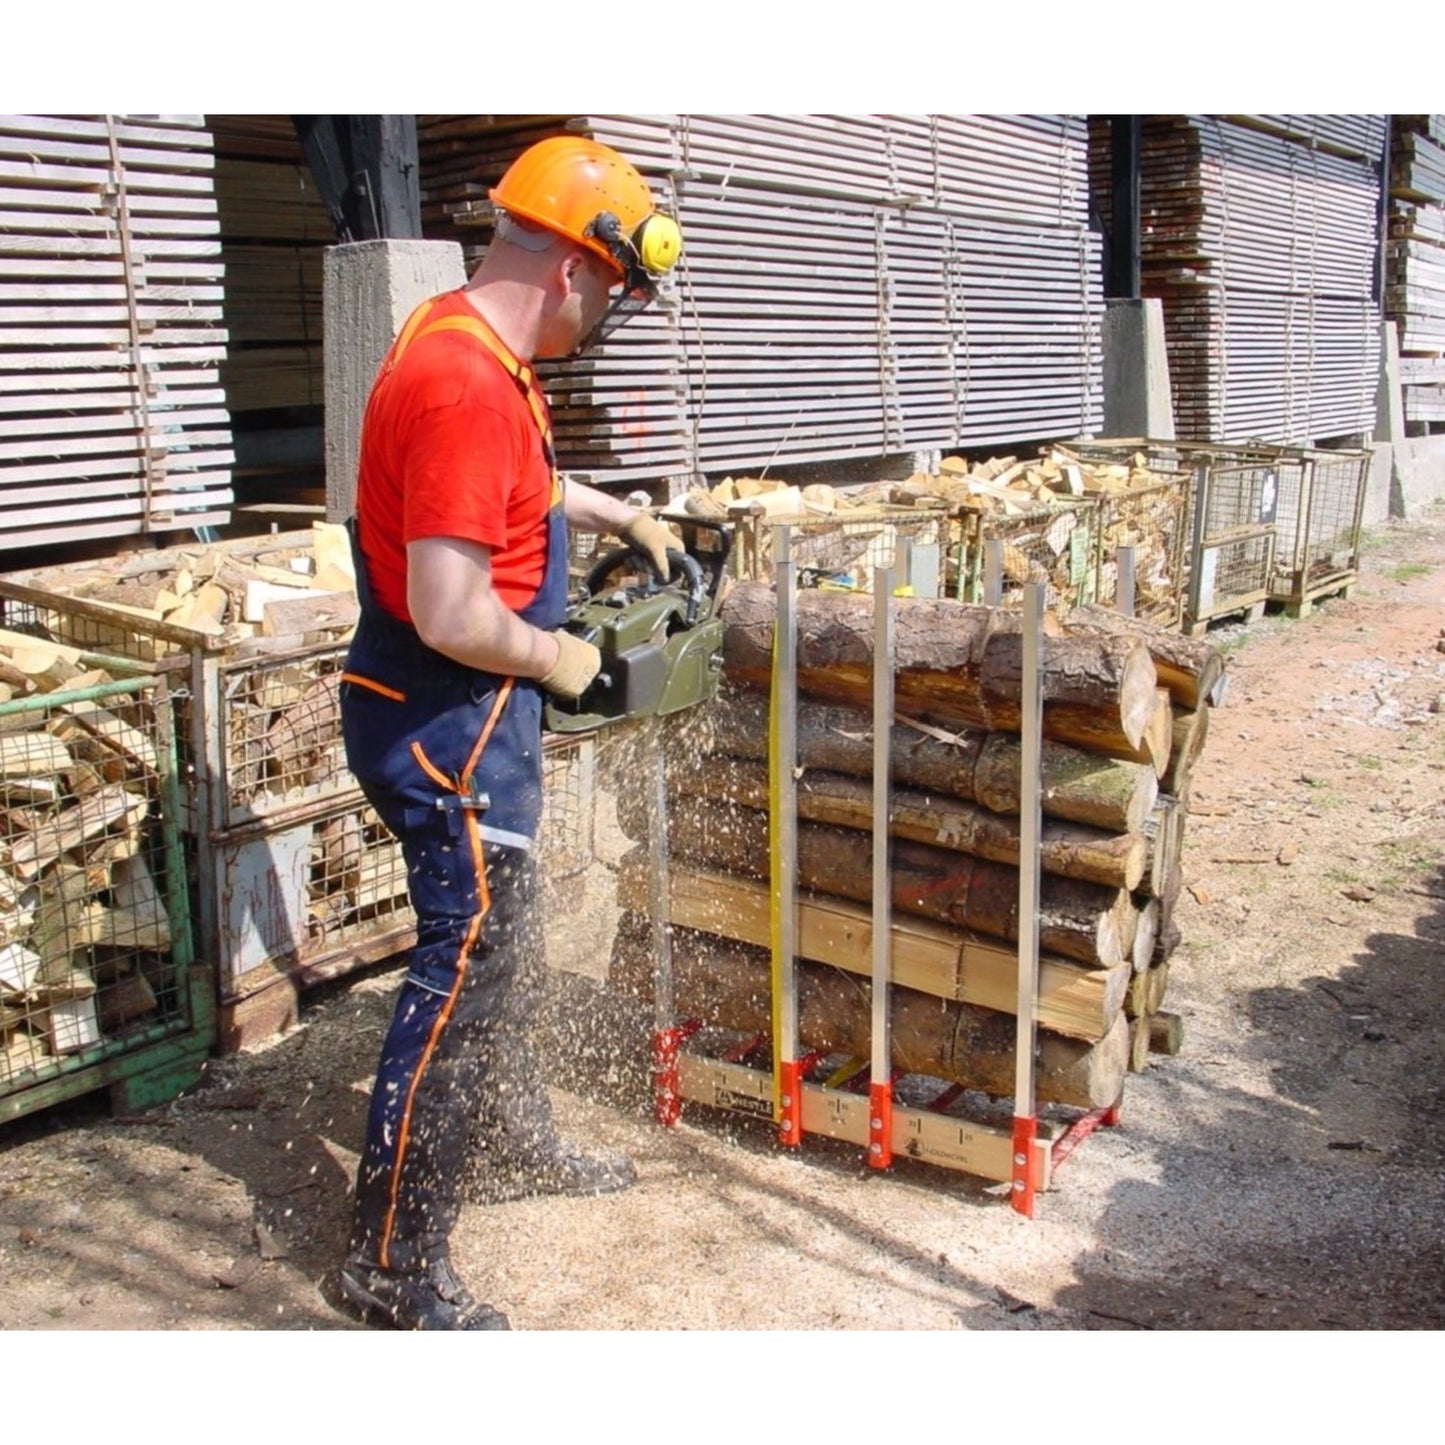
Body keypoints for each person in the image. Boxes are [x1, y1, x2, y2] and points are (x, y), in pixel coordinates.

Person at [335, 135, 683, 1331]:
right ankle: (390, 1255)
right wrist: (558, 654)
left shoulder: (467, 336)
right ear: (577, 272)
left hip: (469, 718)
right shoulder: (467, 380)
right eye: (613, 293)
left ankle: (516, 1136)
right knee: (461, 975)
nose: (604, 317)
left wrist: (616, 512)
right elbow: (449, 608)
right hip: (446, 726)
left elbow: (506, 484)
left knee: (505, 943)